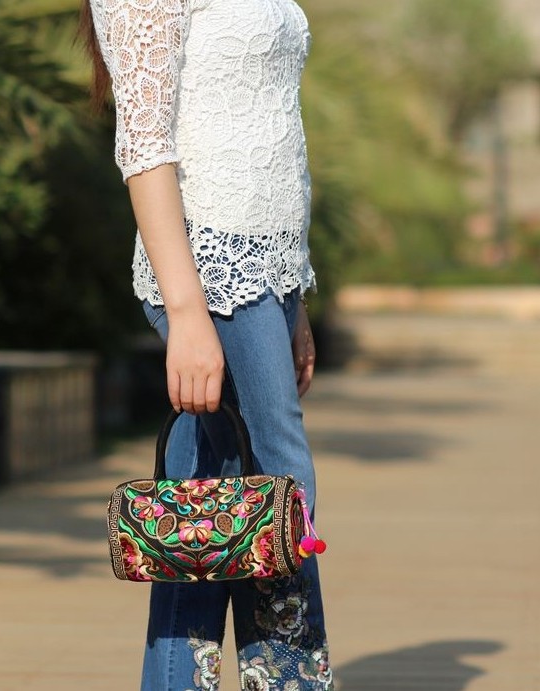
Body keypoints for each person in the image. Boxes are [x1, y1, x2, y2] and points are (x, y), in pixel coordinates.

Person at [79, 0, 334, 688]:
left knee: (204, 513)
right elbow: (144, 145)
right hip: (209, 263)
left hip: (265, 271)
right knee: (281, 491)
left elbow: (273, 128)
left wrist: (294, 298)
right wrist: (188, 312)